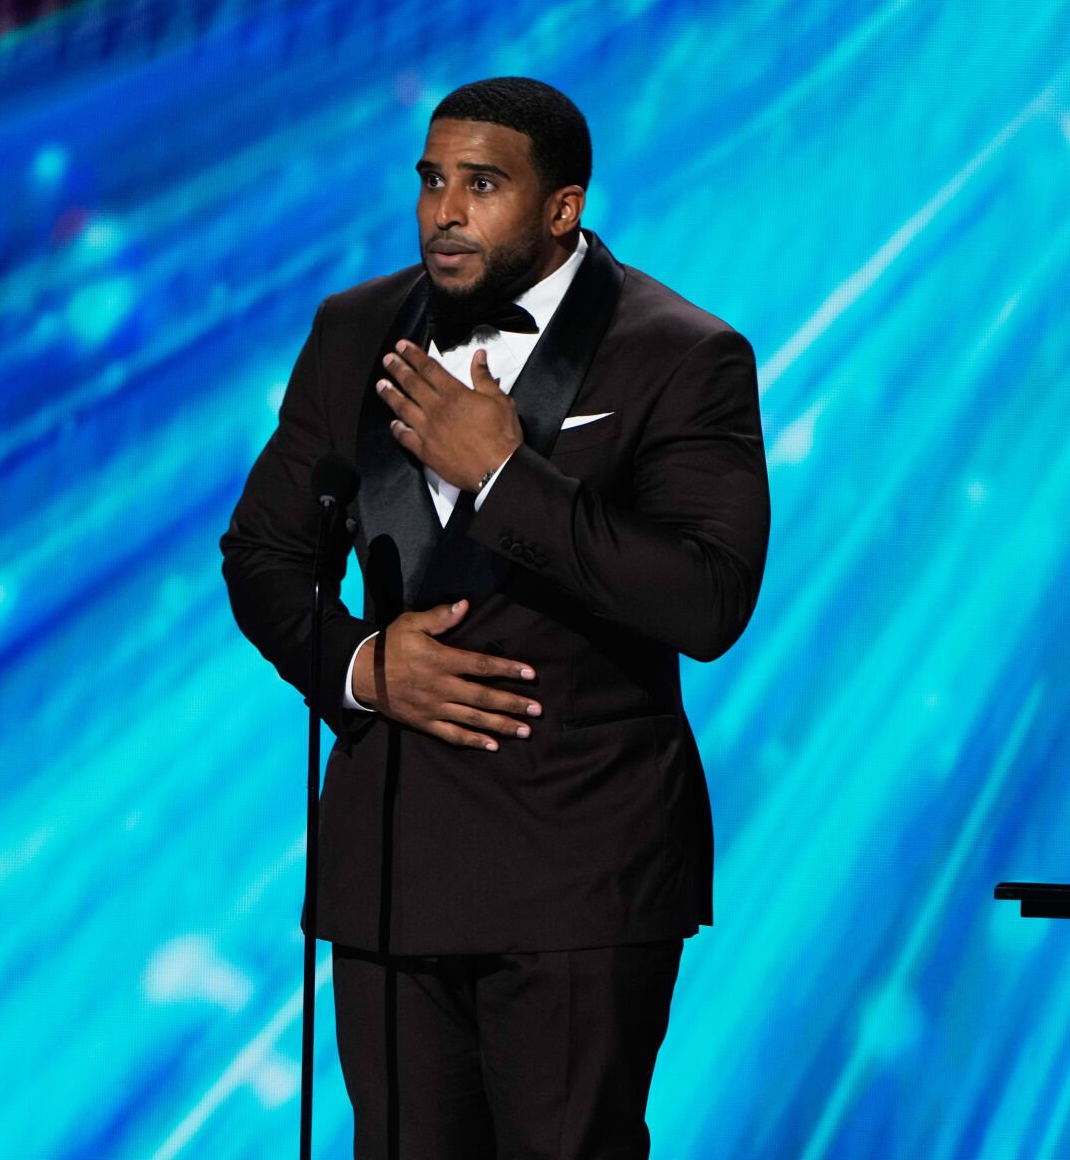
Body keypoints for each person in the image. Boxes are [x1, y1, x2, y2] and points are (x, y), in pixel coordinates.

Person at [220, 76, 769, 1159]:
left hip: (577, 869)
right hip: (390, 866)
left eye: (481, 185)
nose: (444, 212)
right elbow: (264, 554)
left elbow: (706, 599)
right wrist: (362, 664)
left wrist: (506, 476)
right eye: (431, 181)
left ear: (562, 207)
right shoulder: (353, 330)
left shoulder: (681, 352)